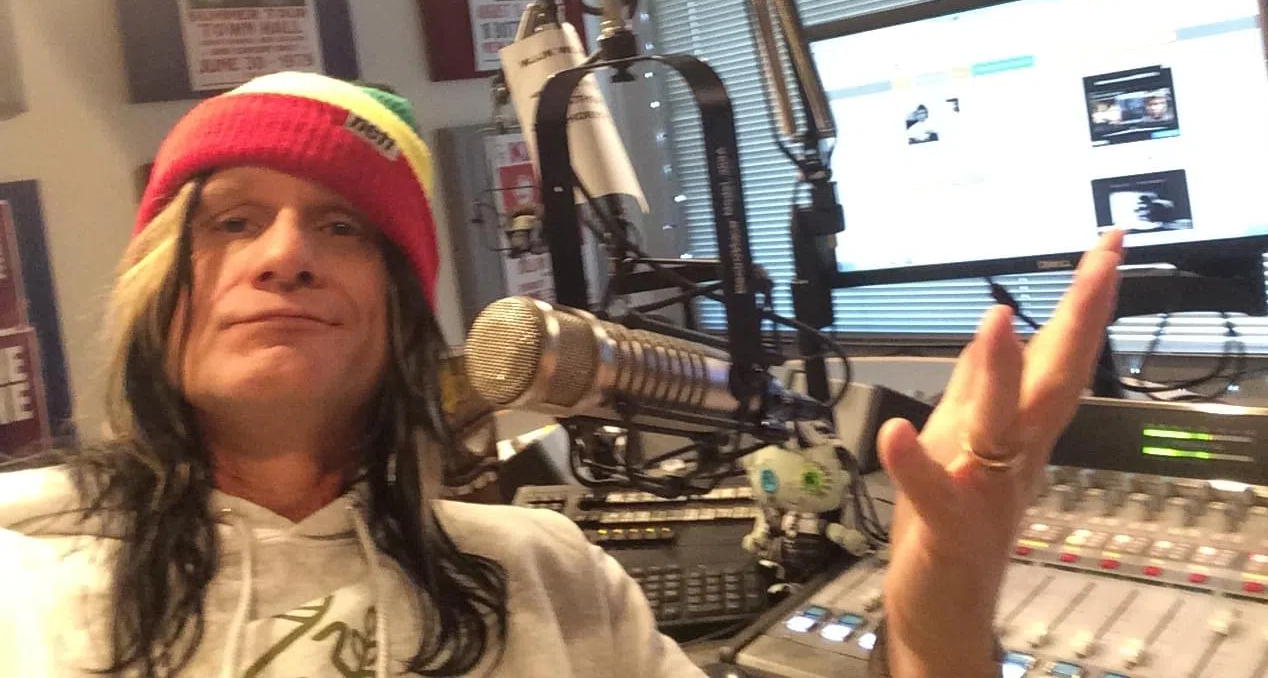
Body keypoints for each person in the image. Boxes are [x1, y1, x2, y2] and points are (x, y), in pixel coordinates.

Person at [0, 72, 1124, 677]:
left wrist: (938, 613)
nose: (285, 254)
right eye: (233, 220)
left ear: (401, 318)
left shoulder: (545, 576)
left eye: (342, 227)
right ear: (156, 288)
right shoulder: (21, 571)